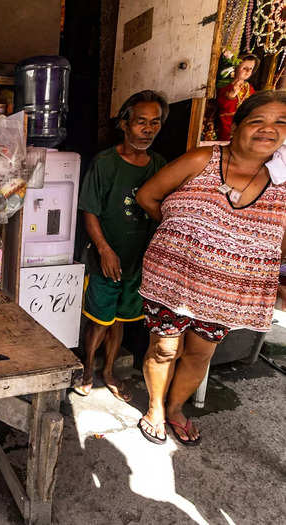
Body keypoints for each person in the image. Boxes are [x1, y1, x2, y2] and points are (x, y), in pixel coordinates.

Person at [135, 90, 286, 445]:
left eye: (280, 122)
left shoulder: (282, 182)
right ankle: (155, 408)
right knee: (165, 349)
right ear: (237, 126)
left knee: (200, 354)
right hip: (171, 279)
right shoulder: (203, 160)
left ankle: (175, 409)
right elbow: (147, 196)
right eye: (258, 121)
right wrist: (181, 233)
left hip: (227, 293)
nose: (269, 130)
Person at [75, 90, 168, 401]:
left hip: (139, 261)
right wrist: (104, 249)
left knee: (122, 321)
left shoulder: (159, 165)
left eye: (155, 123)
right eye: (141, 122)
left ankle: (109, 371)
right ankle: (87, 368)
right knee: (99, 319)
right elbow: (90, 210)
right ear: (125, 124)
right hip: (107, 257)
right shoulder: (105, 163)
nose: (148, 129)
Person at [216, 54, 259, 141]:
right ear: (235, 68)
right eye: (244, 68)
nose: (248, 71)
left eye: (250, 68)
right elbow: (223, 106)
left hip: (244, 123)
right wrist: (232, 94)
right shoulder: (225, 85)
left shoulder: (249, 88)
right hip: (226, 123)